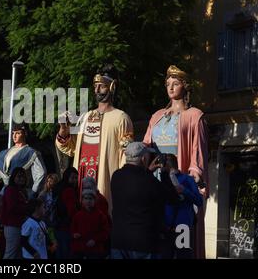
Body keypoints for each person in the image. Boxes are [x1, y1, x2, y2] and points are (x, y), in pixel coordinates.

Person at [143, 65, 208, 259]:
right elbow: (147, 145)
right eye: (167, 84)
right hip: (156, 183)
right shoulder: (156, 117)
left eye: (176, 83)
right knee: (159, 244)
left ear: (185, 87)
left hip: (179, 184)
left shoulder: (195, 116)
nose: (170, 88)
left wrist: (194, 174)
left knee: (181, 245)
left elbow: (199, 150)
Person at [56, 66, 134, 212]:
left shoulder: (121, 118)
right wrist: (63, 130)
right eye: (95, 86)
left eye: (102, 86)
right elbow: (70, 147)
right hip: (82, 176)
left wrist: (123, 183)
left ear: (112, 87)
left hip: (105, 177)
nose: (97, 90)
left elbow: (126, 155)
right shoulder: (85, 117)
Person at [110, 142, 180, 259]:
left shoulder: (116, 176)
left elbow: (134, 185)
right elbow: (173, 199)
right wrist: (164, 174)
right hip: (144, 243)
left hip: (119, 241)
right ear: (143, 158)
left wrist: (147, 171)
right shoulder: (150, 182)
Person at [0, 123, 46, 198]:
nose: (14, 136)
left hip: (21, 193)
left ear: (25, 134)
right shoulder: (3, 153)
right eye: (13, 133)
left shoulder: (31, 152)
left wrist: (33, 193)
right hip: (3, 194)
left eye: (18, 133)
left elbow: (41, 174)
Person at [161, 153, 203, 259]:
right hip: (166, 228)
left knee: (183, 256)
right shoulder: (163, 181)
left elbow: (199, 201)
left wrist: (184, 190)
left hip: (182, 227)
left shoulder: (188, 179)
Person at [71, 189, 110, 259]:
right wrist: (74, 234)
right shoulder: (77, 215)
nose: (88, 201)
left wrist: (95, 240)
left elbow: (105, 232)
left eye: (90, 198)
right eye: (86, 198)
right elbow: (72, 230)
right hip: (81, 250)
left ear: (94, 200)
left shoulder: (100, 215)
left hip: (96, 251)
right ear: (82, 200)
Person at [0, 167, 28, 259]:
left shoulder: (20, 190)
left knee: (19, 253)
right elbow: (12, 207)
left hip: (19, 225)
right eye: (19, 176)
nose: (21, 179)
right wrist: (28, 208)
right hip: (12, 225)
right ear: (13, 178)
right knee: (10, 253)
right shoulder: (11, 190)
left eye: (23, 177)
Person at [53, 167, 79, 259]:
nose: (75, 180)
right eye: (72, 177)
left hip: (57, 225)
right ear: (67, 177)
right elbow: (72, 211)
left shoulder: (58, 187)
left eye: (76, 178)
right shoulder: (69, 190)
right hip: (66, 226)